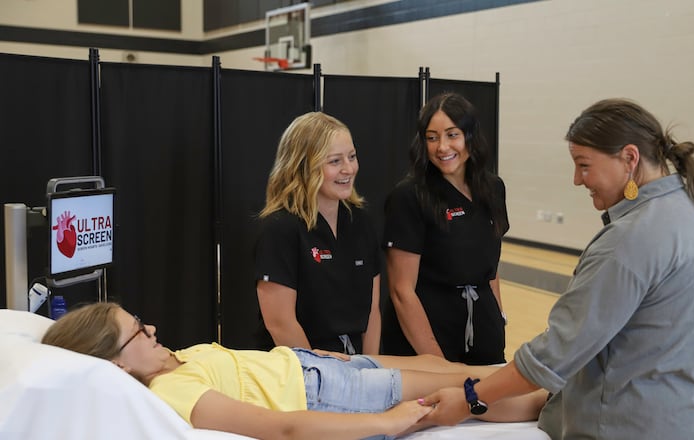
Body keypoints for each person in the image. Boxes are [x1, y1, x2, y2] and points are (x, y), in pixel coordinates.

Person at [420, 98, 694, 440]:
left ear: (629, 158)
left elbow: (552, 356)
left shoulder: (631, 239)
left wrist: (469, 400)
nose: (577, 179)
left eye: (584, 165)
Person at [41, 302, 547, 440]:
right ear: (115, 365)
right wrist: (388, 421)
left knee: (446, 367)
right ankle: (564, 402)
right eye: (139, 333)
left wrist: (329, 358)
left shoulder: (178, 359)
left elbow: (255, 368)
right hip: (326, 393)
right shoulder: (173, 390)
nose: (151, 328)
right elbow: (280, 427)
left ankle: (557, 382)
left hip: (319, 369)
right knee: (467, 391)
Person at [381, 92, 509, 365]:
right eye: (432, 137)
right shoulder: (409, 197)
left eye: (452, 135)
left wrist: (498, 320)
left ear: (470, 136)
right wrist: (437, 362)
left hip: (482, 329)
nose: (442, 147)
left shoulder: (493, 188)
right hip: (429, 334)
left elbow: (491, 270)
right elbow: (402, 291)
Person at [254, 112, 381, 355]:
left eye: (352, 157)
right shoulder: (280, 229)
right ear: (303, 167)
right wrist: (326, 376)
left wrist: (371, 370)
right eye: (335, 161)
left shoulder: (361, 222)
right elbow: (280, 324)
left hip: (356, 368)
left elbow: (372, 313)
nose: (349, 169)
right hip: (303, 371)